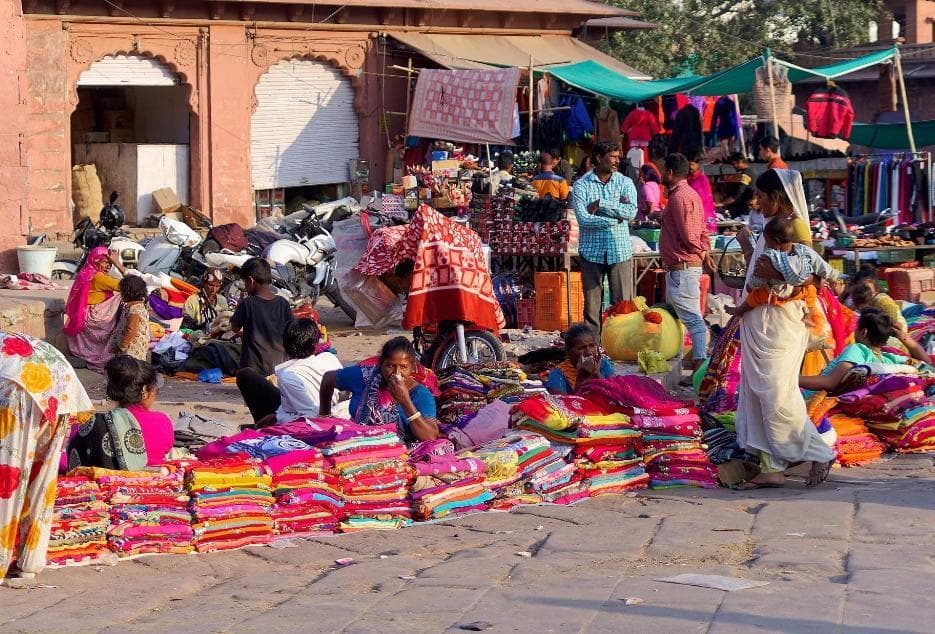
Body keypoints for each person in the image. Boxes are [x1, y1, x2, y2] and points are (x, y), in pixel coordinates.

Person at [729, 168, 836, 488]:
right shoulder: (769, 228)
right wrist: (748, 246)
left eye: (761, 197)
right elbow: (760, 270)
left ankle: (817, 450)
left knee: (777, 392)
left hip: (780, 323)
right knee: (760, 392)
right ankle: (771, 466)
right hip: (760, 320)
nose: (757, 202)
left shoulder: (796, 228)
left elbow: (811, 277)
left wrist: (774, 275)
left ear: (777, 198)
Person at [0, 332, 94, 580]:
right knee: (43, 477)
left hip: (16, 385)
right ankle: (30, 560)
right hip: (58, 380)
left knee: (8, 476)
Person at [571, 140, 638, 334]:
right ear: (599, 158)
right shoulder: (581, 185)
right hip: (591, 252)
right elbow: (583, 219)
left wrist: (602, 205)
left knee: (623, 305)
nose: (617, 160)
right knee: (592, 308)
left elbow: (631, 213)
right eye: (613, 157)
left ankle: (621, 343)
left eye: (618, 156)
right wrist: (614, 219)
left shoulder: (625, 182)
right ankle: (593, 347)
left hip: (620, 251)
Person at [320, 337, 439, 445]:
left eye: (403, 367)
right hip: (359, 444)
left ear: (413, 368)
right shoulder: (365, 377)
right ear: (380, 364)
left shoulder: (420, 394)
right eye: (390, 366)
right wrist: (324, 416)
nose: (396, 373)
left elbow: (430, 436)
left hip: (401, 452)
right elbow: (328, 379)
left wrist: (405, 401)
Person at [65, 355, 173, 471]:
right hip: (153, 484)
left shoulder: (93, 424)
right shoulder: (162, 422)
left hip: (103, 484)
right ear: (145, 391)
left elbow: (75, 455)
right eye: (154, 388)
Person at [727, 217, 839, 321]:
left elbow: (759, 275)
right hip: (798, 291)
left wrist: (750, 286)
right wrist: (832, 275)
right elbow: (820, 264)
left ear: (775, 242)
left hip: (777, 292)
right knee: (810, 294)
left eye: (767, 242)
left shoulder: (771, 256)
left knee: (754, 298)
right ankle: (808, 314)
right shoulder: (804, 251)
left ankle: (739, 310)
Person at [236, 318, 343, 425]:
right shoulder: (329, 357)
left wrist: (277, 418)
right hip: (318, 411)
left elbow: (311, 417)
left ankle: (264, 428)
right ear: (315, 344)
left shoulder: (288, 376)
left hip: (312, 421)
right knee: (247, 375)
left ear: (285, 344)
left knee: (245, 376)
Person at [800, 307, 930, 394]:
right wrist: (903, 337)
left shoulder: (858, 350)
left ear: (864, 332)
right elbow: (925, 362)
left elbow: (831, 382)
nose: (854, 331)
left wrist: (791, 379)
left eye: (856, 328)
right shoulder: (888, 360)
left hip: (814, 401)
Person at [660, 153, 711, 370]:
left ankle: (700, 366)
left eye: (664, 170)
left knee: (694, 321)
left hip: (683, 268)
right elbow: (701, 230)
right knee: (687, 318)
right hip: (683, 268)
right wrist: (704, 251)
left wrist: (701, 252)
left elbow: (690, 235)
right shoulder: (688, 194)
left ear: (670, 173)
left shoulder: (680, 197)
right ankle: (691, 361)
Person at [63, 246, 131, 372]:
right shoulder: (99, 277)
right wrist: (118, 264)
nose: (108, 266)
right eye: (105, 262)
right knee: (124, 296)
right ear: (96, 260)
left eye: (110, 264)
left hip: (85, 315)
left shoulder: (87, 272)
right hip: (94, 317)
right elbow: (131, 286)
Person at [230, 258, 293, 376]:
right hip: (279, 367)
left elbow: (235, 328)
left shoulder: (247, 303)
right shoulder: (283, 303)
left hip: (254, 369)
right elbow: (290, 331)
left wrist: (239, 306)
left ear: (251, 280)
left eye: (245, 282)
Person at [545, 324, 615, 395]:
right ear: (569, 352)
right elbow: (562, 404)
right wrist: (580, 378)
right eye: (582, 348)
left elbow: (616, 395)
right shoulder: (558, 373)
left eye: (592, 346)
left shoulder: (604, 364)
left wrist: (597, 374)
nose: (589, 352)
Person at [841, 266, 907, 331]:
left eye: (868, 290)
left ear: (876, 290)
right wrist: (845, 293)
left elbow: (897, 326)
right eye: (861, 289)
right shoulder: (857, 299)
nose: (864, 292)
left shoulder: (882, 301)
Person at [116, 275, 151, 362]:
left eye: (122, 292)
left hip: (131, 348)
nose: (121, 295)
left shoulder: (134, 310)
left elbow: (132, 330)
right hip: (136, 346)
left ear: (128, 293)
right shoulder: (139, 306)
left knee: (128, 368)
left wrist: (122, 346)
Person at [687, 157, 717, 234]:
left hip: (704, 209)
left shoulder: (702, 179)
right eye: (689, 164)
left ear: (697, 165)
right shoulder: (688, 179)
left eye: (693, 165)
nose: (690, 167)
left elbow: (704, 196)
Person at [720, 152, 755, 218]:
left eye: (734, 164)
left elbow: (738, 192)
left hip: (744, 211)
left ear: (740, 161)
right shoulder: (746, 172)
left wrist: (722, 203)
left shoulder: (746, 174)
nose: (733, 166)